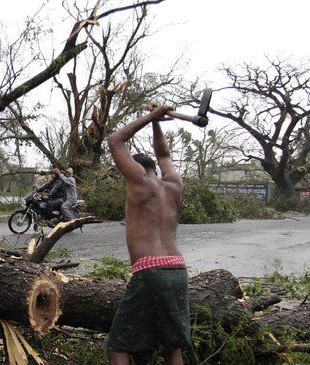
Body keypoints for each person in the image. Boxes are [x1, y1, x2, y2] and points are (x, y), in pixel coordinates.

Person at [106, 105, 190, 365]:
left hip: (148, 270)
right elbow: (163, 153)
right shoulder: (174, 184)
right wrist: (157, 123)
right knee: (172, 346)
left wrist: (152, 116)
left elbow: (115, 140)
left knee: (118, 345)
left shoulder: (138, 181)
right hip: (177, 270)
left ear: (135, 168)